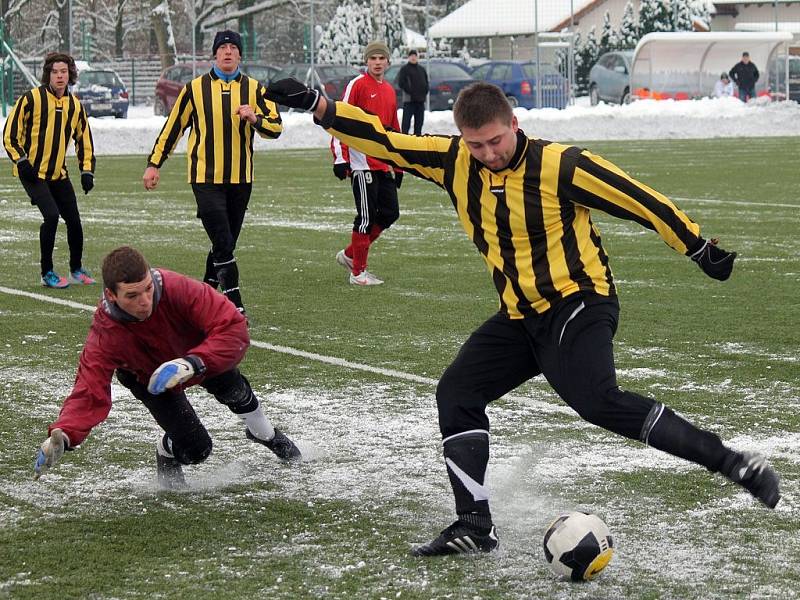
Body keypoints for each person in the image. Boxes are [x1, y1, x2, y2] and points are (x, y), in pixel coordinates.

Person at [266, 78, 782, 555]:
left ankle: (732, 462)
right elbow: (383, 140)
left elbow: (641, 201)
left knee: (596, 401)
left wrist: (698, 248)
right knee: (457, 393)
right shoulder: (453, 160)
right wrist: (320, 107)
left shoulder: (562, 166)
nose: (487, 154)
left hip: (578, 300)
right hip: (520, 313)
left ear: (514, 124)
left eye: (495, 140)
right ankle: (474, 524)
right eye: (476, 145)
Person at [33, 245, 300, 489]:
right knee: (197, 449)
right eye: (132, 295)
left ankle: (264, 432)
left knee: (234, 388)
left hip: (196, 353)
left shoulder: (176, 288)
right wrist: (65, 434)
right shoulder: (106, 334)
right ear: (111, 295)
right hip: (148, 377)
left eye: (148, 288)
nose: (145, 301)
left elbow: (232, 326)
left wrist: (194, 362)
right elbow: (89, 391)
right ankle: (166, 450)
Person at [143, 30, 282, 316]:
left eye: (233, 47)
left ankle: (201, 299)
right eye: (223, 48)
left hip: (241, 179)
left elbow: (276, 128)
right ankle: (234, 304)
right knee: (222, 241)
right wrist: (154, 164)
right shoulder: (194, 89)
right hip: (205, 178)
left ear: (240, 54)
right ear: (214, 54)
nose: (228, 52)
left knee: (224, 244)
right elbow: (173, 129)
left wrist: (254, 118)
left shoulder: (255, 90)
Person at [3, 52, 96, 289]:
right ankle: (47, 272)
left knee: (74, 221)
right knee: (52, 216)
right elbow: (10, 135)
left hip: (58, 174)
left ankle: (76, 268)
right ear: (48, 75)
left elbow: (84, 139)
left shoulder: (75, 106)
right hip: (33, 173)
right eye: (55, 72)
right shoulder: (31, 99)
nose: (59, 76)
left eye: (64, 71)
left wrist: (87, 171)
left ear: (70, 74)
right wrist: (22, 163)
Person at [331, 41, 402, 286]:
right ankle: (358, 273)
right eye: (373, 58)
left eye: (382, 58)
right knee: (366, 217)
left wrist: (399, 163)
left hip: (382, 163)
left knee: (391, 213)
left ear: (388, 62)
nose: (378, 62)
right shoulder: (357, 85)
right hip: (361, 163)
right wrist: (341, 158)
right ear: (366, 61)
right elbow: (338, 119)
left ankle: (351, 254)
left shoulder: (390, 90)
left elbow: (393, 129)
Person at [397, 49, 429, 135]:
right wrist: (410, 91)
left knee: (419, 123)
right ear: (409, 57)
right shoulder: (405, 69)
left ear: (417, 57)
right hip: (409, 100)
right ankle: (404, 139)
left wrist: (425, 91)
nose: (413, 58)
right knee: (406, 123)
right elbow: (401, 83)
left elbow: (426, 82)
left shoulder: (421, 69)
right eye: (411, 56)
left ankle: (417, 139)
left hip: (420, 101)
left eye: (415, 56)